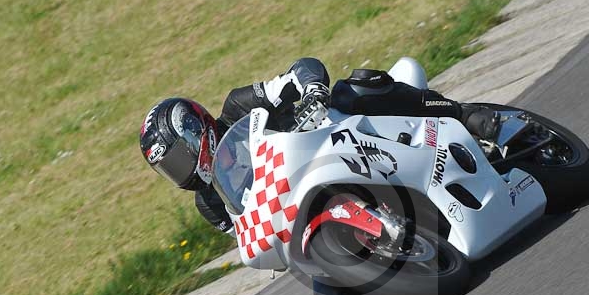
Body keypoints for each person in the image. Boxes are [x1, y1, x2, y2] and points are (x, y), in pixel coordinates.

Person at [138, 57, 500, 234]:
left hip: (335, 140)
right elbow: (249, 237)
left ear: (195, 130)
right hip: (305, 206)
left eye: (177, 159)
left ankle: (463, 115)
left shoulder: (237, 106)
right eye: (168, 169)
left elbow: (299, 70)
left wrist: (312, 89)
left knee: (353, 88)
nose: (180, 172)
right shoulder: (209, 202)